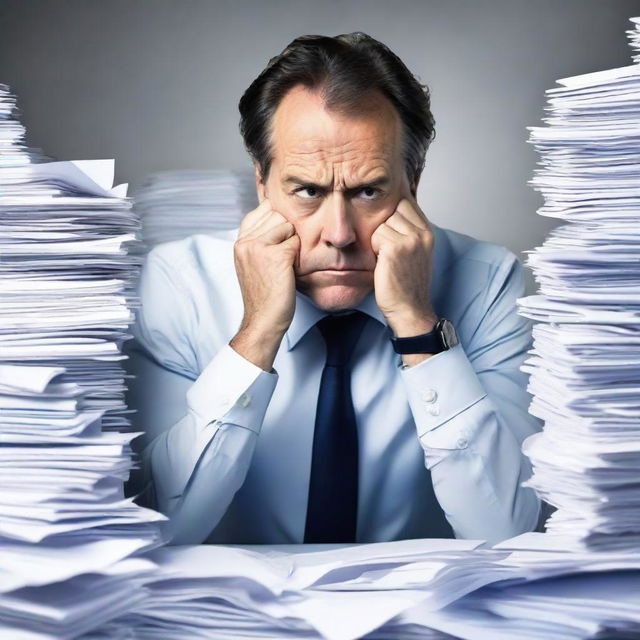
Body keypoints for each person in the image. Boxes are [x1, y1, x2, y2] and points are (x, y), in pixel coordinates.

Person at [127, 32, 542, 546]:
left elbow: (507, 532)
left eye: (368, 191)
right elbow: (157, 529)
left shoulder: (486, 281)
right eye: (307, 191)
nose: (340, 234)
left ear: (412, 180)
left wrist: (418, 326)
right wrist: (257, 334)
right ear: (262, 183)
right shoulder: (179, 284)